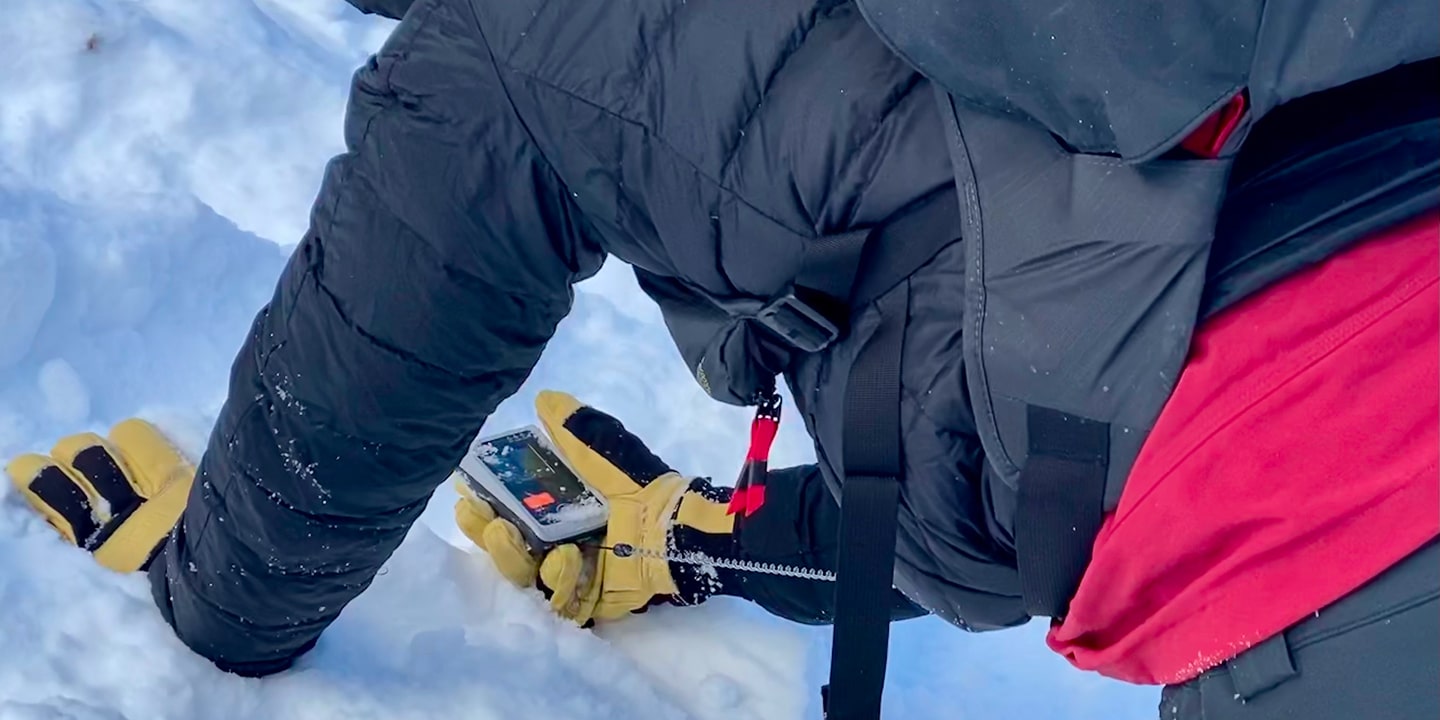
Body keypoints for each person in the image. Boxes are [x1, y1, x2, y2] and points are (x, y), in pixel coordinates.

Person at [6, 0, 1438, 717]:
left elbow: (354, 394)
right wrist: (704, 541)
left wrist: (199, 609)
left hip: (1335, 516)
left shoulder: (501, 47)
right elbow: (1042, 401)